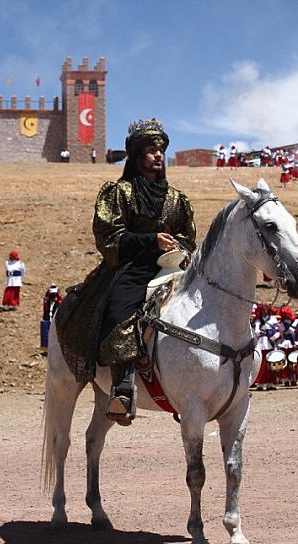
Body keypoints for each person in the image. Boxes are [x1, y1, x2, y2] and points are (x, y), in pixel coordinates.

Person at [54, 118, 196, 425]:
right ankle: (122, 389)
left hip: (174, 265)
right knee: (121, 312)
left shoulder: (177, 199)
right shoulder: (119, 192)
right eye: (151, 150)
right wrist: (151, 241)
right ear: (136, 155)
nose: (158, 155)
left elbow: (188, 236)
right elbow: (109, 237)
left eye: (161, 150)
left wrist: (179, 247)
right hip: (130, 267)